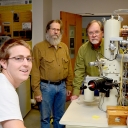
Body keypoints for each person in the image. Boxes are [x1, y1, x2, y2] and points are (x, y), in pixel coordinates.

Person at [31, 19, 73, 128]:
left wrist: (69, 85)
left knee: (60, 117)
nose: (56, 32)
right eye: (53, 29)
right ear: (47, 30)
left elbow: (69, 67)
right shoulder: (38, 47)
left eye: (58, 30)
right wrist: (36, 91)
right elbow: (35, 70)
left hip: (62, 87)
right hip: (46, 87)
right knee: (45, 118)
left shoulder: (64, 47)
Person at [0, 38, 32, 128]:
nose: (26, 63)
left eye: (28, 59)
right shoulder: (4, 89)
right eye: (18, 58)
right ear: (4, 62)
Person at [70, 20, 104, 101]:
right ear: (87, 35)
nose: (94, 35)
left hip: (107, 87)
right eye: (90, 33)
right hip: (91, 86)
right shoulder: (83, 49)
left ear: (102, 33)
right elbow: (79, 71)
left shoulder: (111, 47)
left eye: (96, 32)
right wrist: (76, 92)